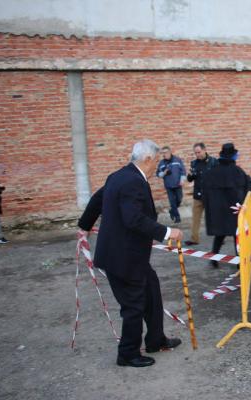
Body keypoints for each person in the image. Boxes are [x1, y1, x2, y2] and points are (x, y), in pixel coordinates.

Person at [78, 139, 183, 368]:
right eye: (155, 161)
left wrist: (84, 224)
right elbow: (133, 219)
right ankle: (127, 354)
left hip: (130, 255)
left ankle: (156, 339)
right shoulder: (132, 181)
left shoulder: (120, 176)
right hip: (123, 257)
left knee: (151, 290)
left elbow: (98, 198)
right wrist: (167, 232)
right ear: (147, 159)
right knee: (134, 305)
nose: (156, 165)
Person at [202, 143, 251, 267]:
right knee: (237, 235)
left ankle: (214, 259)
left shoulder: (211, 172)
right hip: (234, 210)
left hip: (218, 211)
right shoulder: (237, 171)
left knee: (219, 235)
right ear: (233, 156)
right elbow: (249, 184)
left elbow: (204, 189)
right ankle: (239, 262)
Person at [185, 143, 217, 246]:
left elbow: (218, 177)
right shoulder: (194, 163)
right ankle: (194, 239)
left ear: (204, 150)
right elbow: (191, 179)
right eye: (195, 153)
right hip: (198, 195)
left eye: (199, 152)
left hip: (210, 195)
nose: (197, 154)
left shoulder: (213, 162)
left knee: (214, 217)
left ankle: (219, 237)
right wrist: (189, 175)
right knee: (195, 218)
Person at [157, 146, 186, 223]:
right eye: (162, 153)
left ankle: (172, 211)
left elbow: (183, 171)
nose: (164, 154)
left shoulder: (177, 160)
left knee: (179, 200)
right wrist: (163, 173)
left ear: (170, 152)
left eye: (165, 152)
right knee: (172, 201)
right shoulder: (161, 163)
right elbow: (158, 174)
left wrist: (182, 180)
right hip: (168, 186)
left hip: (178, 184)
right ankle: (177, 217)